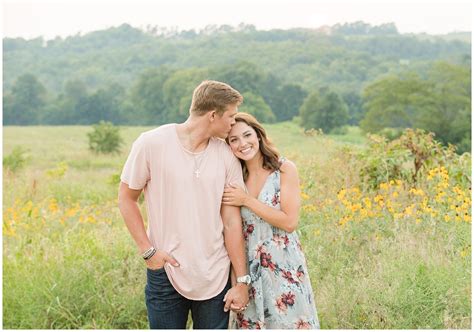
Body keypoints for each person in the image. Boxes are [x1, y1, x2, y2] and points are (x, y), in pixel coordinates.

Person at [118, 80, 251, 329]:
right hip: (165, 271)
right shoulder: (151, 144)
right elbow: (126, 198)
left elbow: (232, 222)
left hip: (215, 274)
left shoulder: (225, 154)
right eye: (231, 117)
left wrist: (242, 281)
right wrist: (148, 252)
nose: (234, 123)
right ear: (213, 115)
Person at [223, 112, 320, 329]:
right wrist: (238, 281)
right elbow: (231, 230)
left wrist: (246, 200)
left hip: (284, 264)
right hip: (248, 267)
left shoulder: (283, 169)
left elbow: (289, 221)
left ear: (258, 135)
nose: (242, 144)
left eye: (247, 135)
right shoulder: (234, 177)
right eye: (234, 140)